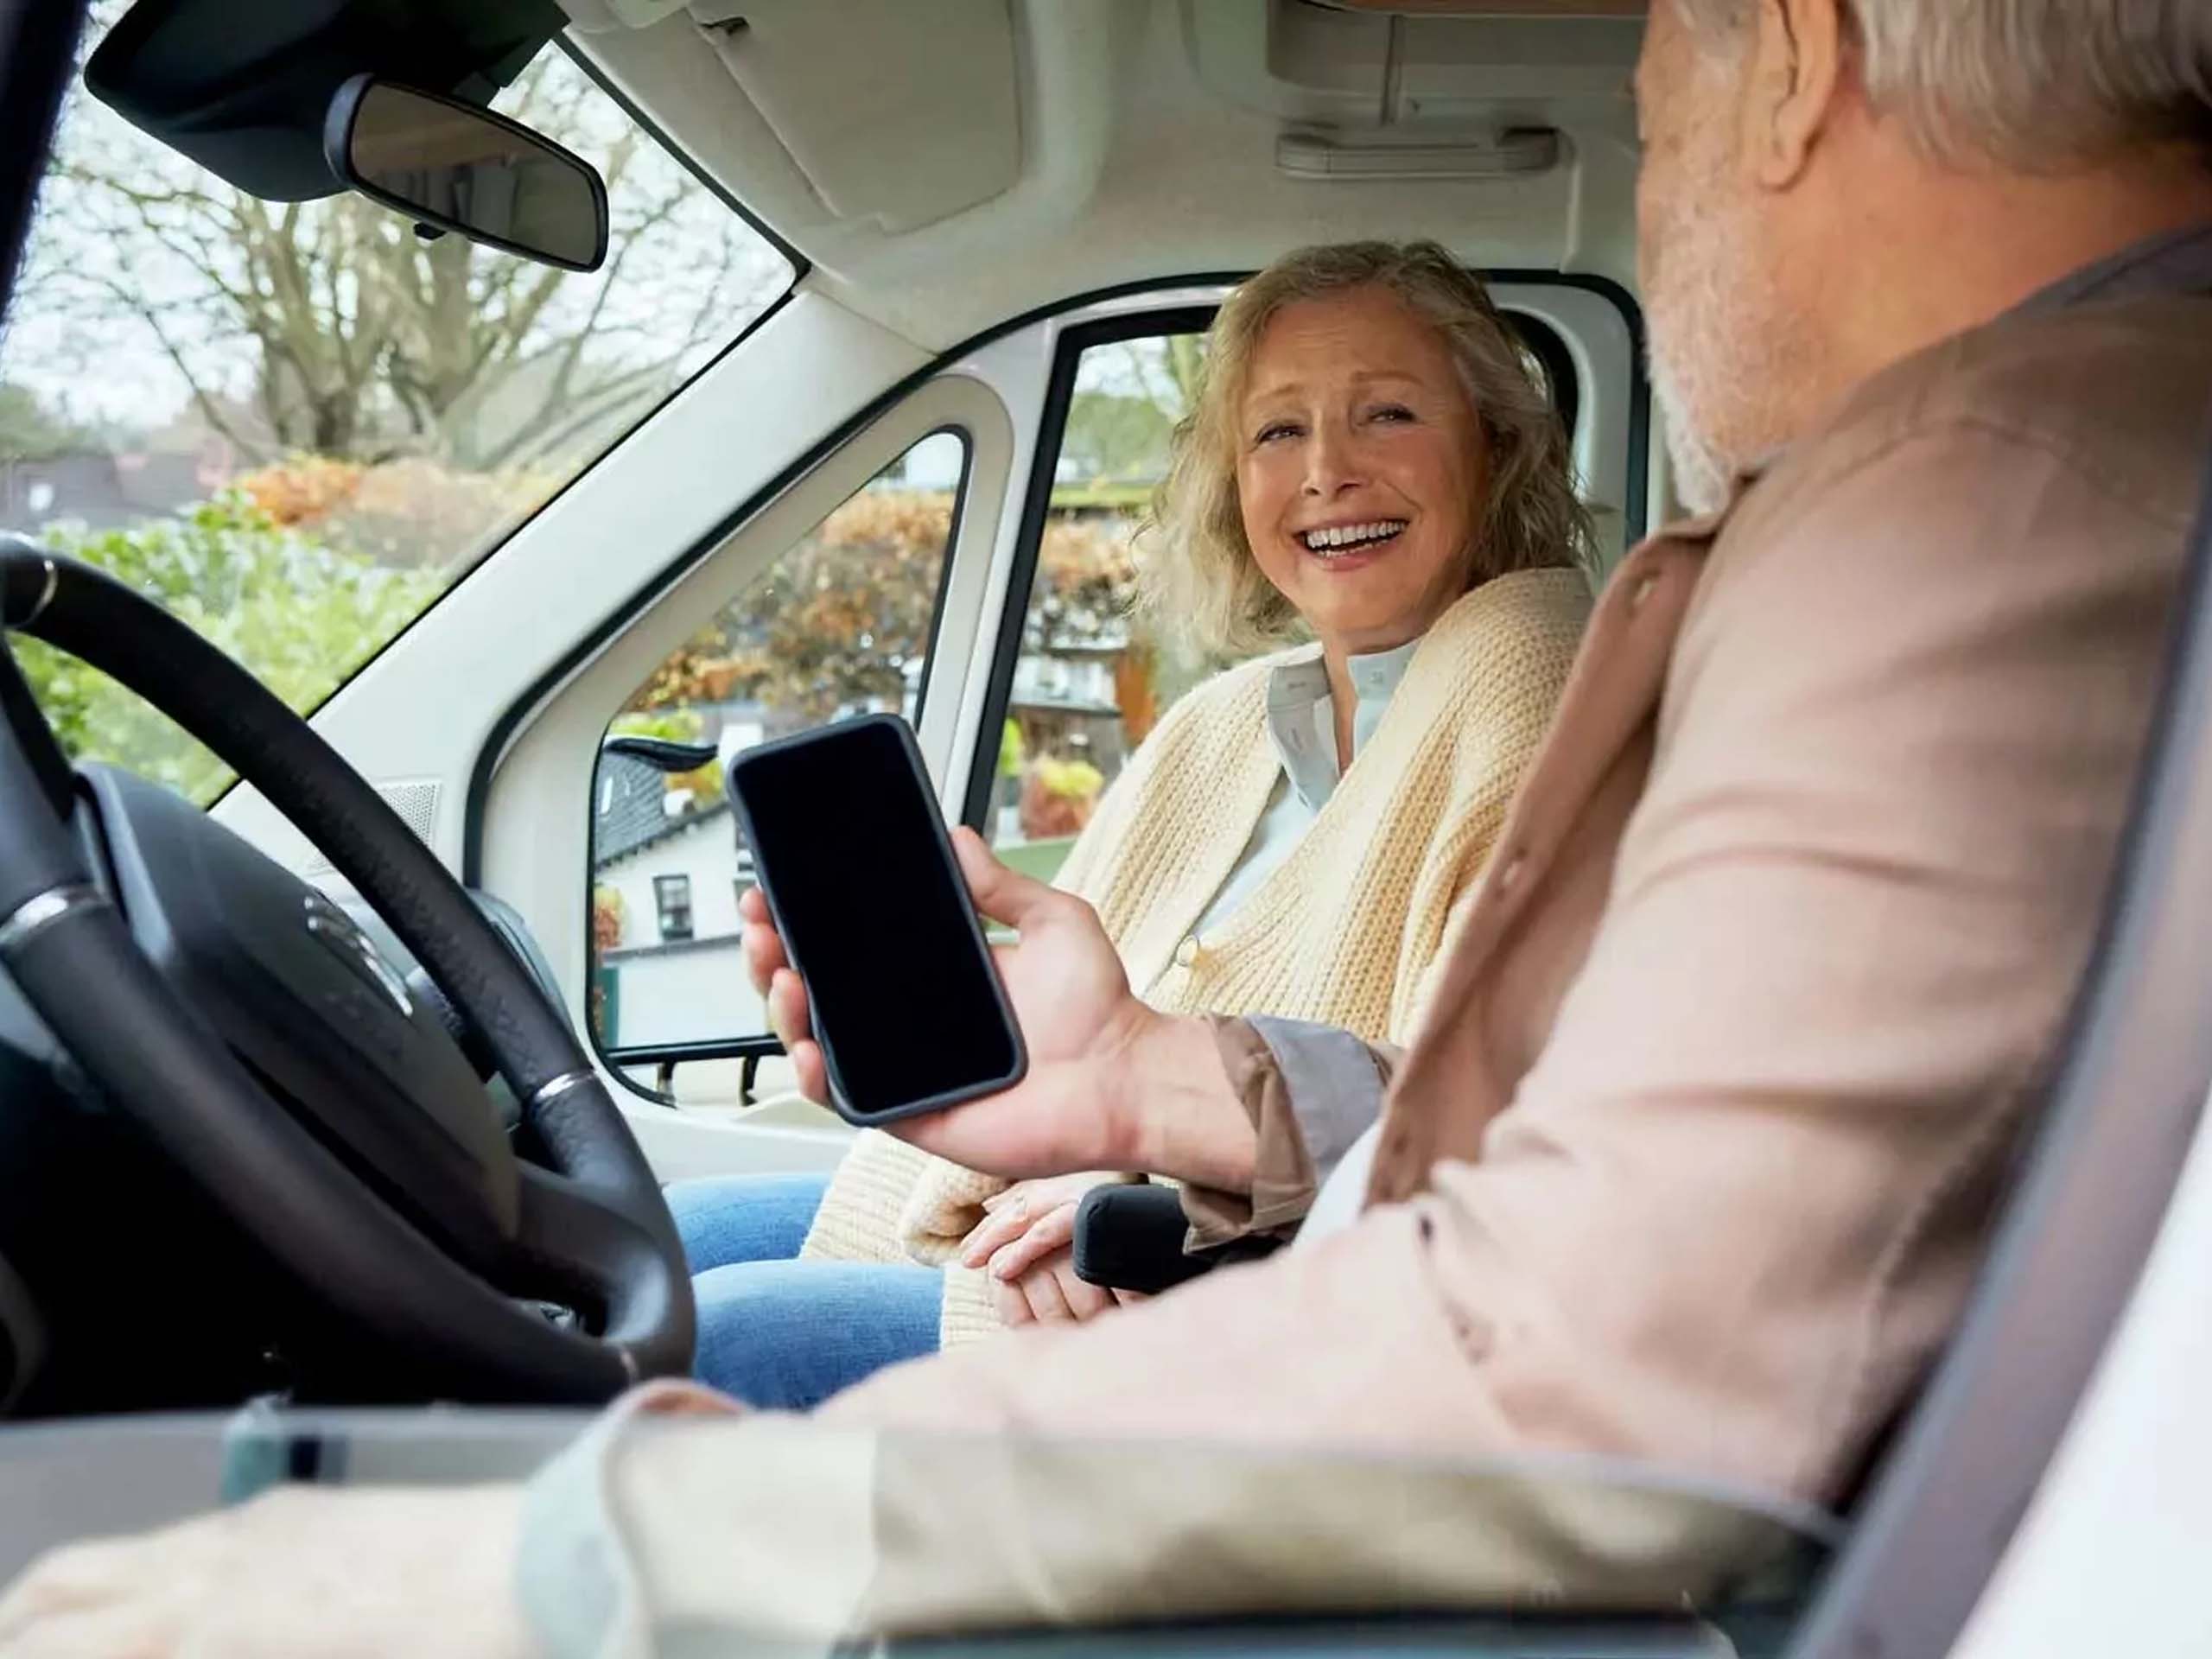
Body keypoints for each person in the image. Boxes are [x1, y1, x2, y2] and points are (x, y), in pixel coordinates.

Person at [6, 0, 2211, 1651]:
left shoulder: (1987, 494)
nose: (1657, 181)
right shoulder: (2054, 462)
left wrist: (583, 1554)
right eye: (1274, 427)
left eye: (1647, 110)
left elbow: (1592, 1347)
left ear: (1786, 58)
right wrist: (1171, 1084)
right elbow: (1630, 1172)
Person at [664, 241, 1595, 1407]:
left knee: (716, 1335)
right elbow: (1075, 1031)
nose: (1328, 473)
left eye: (1389, 414)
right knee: (667, 1236)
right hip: (1038, 1210)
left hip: (1224, 1299)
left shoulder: (1534, 678)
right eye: (1278, 432)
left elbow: (1471, 1121)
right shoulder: (1222, 723)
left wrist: (1168, 1199)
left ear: (1497, 446)